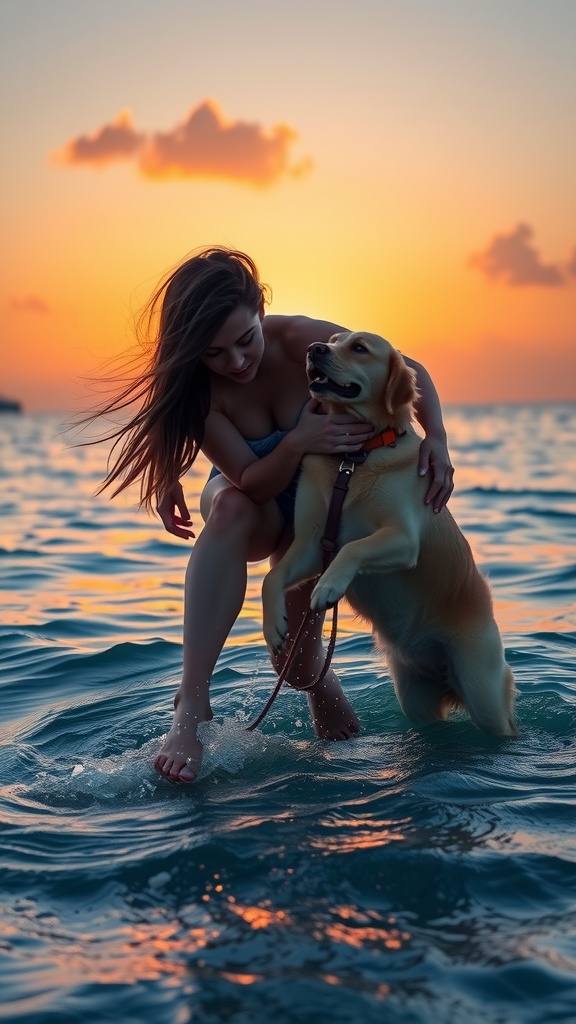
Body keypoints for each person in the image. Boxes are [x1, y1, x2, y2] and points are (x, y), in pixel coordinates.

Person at [97, 247, 454, 783]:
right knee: (231, 509)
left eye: (246, 341)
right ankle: (190, 707)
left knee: (296, 668)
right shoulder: (201, 393)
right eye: (215, 354)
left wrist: (440, 441)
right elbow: (251, 479)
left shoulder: (299, 340)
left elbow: (409, 369)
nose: (237, 362)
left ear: (261, 311)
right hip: (254, 499)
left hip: (317, 519)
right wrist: (298, 440)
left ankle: (322, 685)